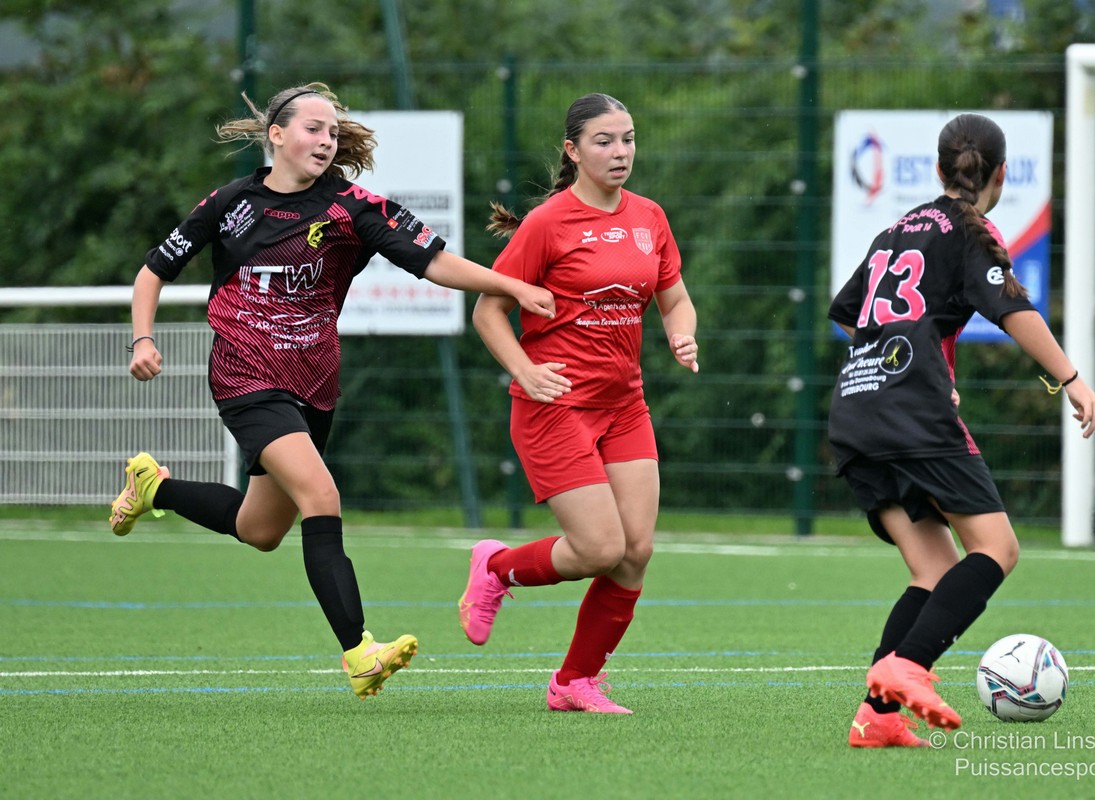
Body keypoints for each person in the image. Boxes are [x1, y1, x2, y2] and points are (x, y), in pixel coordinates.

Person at [108, 82, 556, 700]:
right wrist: (142, 338)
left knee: (260, 528)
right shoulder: (230, 203)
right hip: (244, 374)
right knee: (322, 496)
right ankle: (359, 653)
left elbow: (433, 261)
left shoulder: (352, 207)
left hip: (314, 382)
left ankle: (153, 486)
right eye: (313, 128)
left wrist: (511, 285)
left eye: (333, 132)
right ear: (277, 135)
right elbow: (152, 271)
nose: (326, 140)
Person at [827, 113, 1095, 746]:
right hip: (912, 414)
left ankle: (877, 716)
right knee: (997, 549)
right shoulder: (970, 231)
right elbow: (1013, 310)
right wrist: (1072, 380)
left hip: (856, 410)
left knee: (933, 569)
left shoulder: (897, 229)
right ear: (1001, 174)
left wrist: (904, 359)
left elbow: (848, 314)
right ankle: (907, 667)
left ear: (938, 169)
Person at [462, 93, 699, 714]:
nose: (620, 152)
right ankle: (497, 568)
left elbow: (675, 298)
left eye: (628, 139)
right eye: (604, 141)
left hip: (625, 405)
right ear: (572, 150)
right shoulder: (548, 223)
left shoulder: (650, 217)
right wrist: (524, 369)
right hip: (556, 406)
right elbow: (488, 310)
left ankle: (573, 683)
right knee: (598, 549)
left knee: (635, 551)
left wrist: (681, 333)